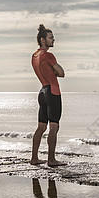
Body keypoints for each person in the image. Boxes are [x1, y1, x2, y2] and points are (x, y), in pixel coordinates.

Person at [30, 24, 66, 166]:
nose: (54, 40)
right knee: (54, 126)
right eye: (51, 38)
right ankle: (51, 159)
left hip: (42, 91)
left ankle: (34, 158)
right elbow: (62, 73)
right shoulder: (48, 55)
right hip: (52, 91)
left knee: (41, 127)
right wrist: (55, 71)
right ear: (43, 40)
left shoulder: (35, 56)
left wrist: (53, 71)